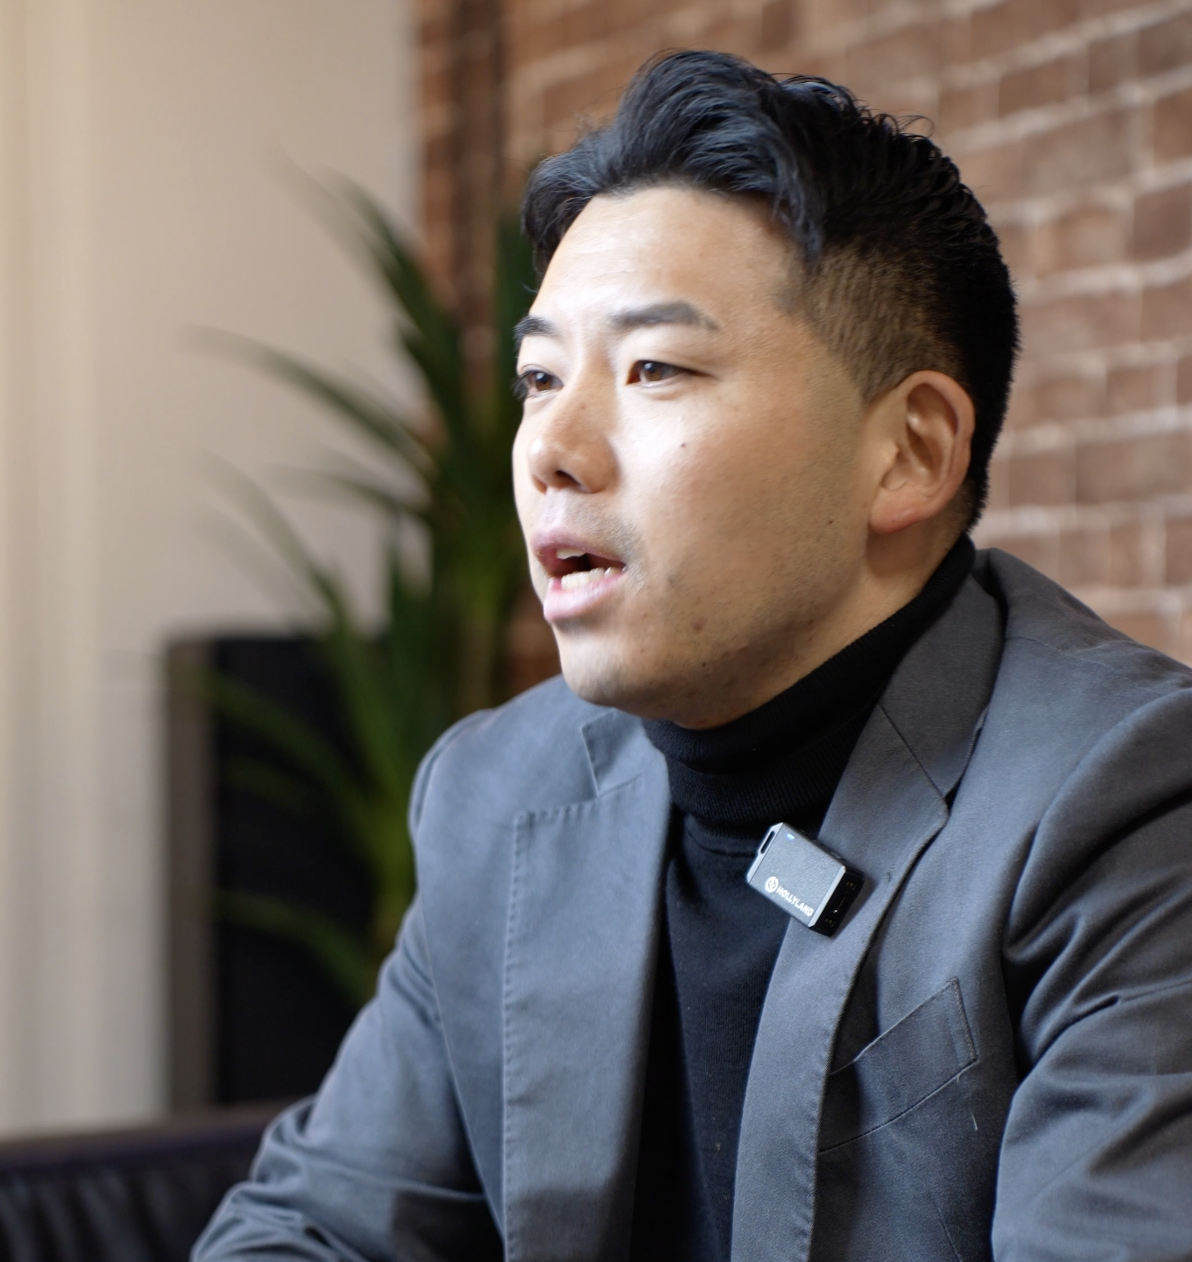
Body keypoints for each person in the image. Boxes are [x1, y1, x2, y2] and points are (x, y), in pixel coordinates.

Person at [194, 50, 1192, 1262]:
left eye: (653, 367)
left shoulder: (1129, 801)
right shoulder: (497, 791)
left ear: (910, 452)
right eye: (538, 375)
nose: (548, 447)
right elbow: (310, 1227)